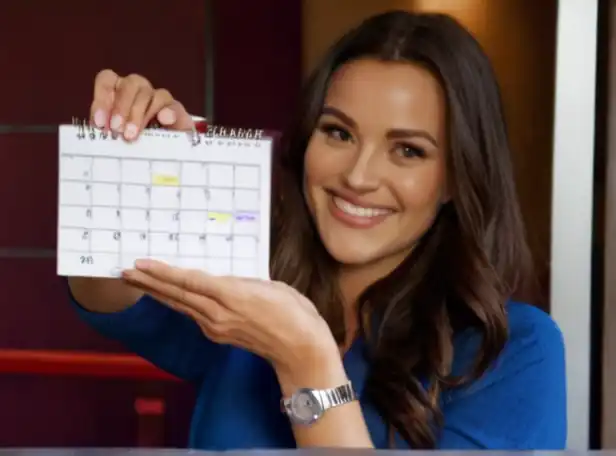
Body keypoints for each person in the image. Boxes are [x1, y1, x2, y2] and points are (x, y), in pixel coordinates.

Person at [68, 10, 567, 450]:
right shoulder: (249, 290)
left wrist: (305, 361)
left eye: (408, 150)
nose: (358, 176)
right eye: (339, 132)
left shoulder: (516, 352)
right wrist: (135, 164)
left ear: (456, 178)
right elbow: (108, 290)